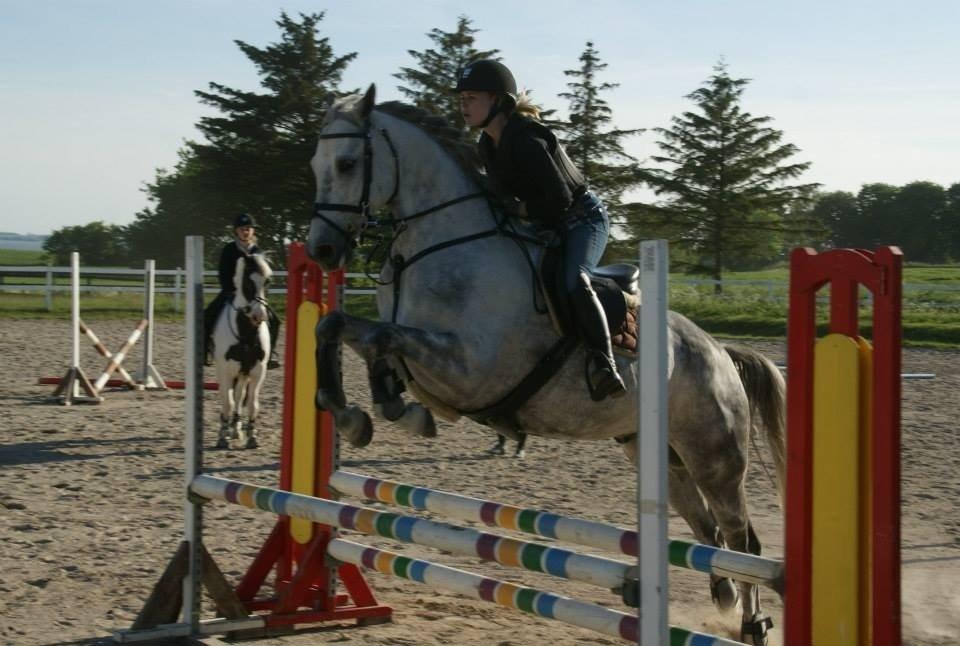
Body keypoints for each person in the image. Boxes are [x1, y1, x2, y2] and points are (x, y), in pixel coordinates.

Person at [456, 59, 625, 401]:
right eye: (461, 99)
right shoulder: (487, 147)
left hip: (582, 219)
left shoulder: (526, 139)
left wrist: (518, 209)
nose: (463, 106)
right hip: (547, 222)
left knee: (573, 279)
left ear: (498, 101)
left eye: (471, 98)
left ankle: (604, 363)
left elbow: (558, 200)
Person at [203, 213, 281, 369]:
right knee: (207, 315)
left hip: (254, 296)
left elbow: (264, 276)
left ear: (253, 231)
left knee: (275, 320)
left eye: (248, 229)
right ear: (236, 231)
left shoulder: (258, 251)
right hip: (230, 292)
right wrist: (231, 291)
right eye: (242, 229)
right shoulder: (229, 250)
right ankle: (205, 352)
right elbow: (223, 274)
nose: (246, 232)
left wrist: (260, 294)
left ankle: (269, 353)